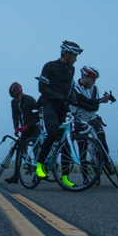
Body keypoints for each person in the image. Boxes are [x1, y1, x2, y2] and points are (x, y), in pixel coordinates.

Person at [35, 40, 83, 187]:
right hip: (49, 104)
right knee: (53, 131)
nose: (76, 59)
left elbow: (69, 89)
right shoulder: (49, 66)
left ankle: (65, 177)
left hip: (63, 105)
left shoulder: (71, 70)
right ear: (67, 54)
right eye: (74, 55)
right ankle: (39, 165)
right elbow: (42, 88)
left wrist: (73, 99)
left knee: (67, 138)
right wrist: (59, 97)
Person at [68, 66, 115, 173]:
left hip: (93, 118)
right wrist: (98, 101)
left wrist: (93, 102)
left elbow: (94, 107)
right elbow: (84, 100)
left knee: (102, 139)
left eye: (95, 80)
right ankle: (85, 176)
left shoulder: (95, 88)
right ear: (85, 77)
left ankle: (107, 163)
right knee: (82, 149)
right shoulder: (75, 87)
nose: (94, 82)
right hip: (79, 121)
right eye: (93, 80)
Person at [5, 82, 40, 183]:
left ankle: (38, 174)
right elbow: (15, 116)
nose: (16, 99)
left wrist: (28, 126)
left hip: (34, 127)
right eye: (14, 98)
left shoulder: (30, 99)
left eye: (17, 97)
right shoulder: (13, 103)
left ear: (20, 93)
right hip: (24, 129)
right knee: (19, 150)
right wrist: (16, 128)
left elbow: (37, 116)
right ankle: (16, 176)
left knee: (36, 151)